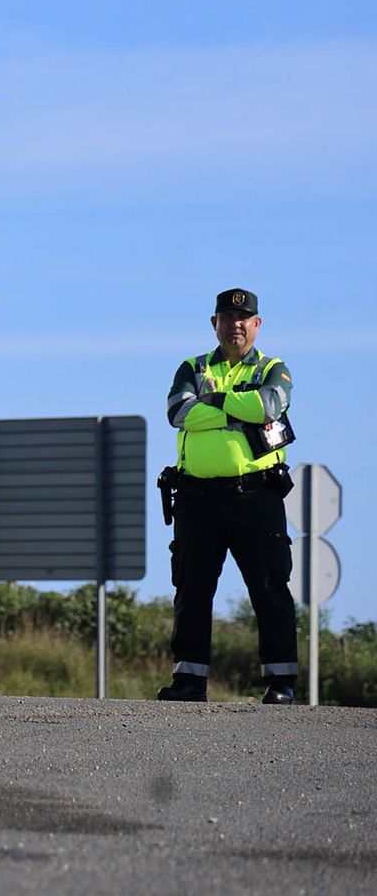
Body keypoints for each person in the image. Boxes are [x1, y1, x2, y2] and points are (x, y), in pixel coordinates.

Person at [158, 288, 297, 704]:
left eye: (244, 317)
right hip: (197, 498)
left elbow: (272, 405)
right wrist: (240, 408)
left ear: (256, 324)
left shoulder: (274, 368)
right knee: (191, 588)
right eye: (227, 316)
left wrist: (214, 403)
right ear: (214, 322)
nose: (235, 324)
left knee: (270, 587)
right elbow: (178, 412)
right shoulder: (192, 366)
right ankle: (189, 680)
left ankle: (281, 682)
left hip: (256, 497)